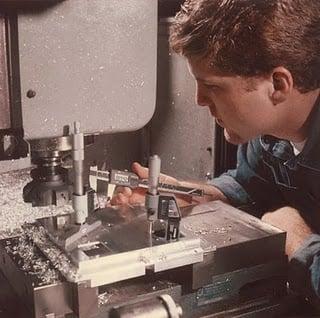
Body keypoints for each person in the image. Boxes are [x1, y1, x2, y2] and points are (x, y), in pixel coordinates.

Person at [112, 0, 320, 307]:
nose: (198, 100)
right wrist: (200, 196)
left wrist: (300, 241)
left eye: (212, 85)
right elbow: (250, 187)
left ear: (278, 84)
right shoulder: (268, 136)